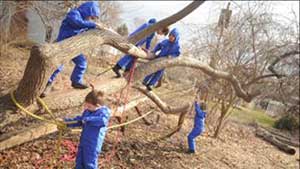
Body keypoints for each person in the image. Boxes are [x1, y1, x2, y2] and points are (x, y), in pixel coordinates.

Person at [40, 1, 103, 98]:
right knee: (58, 66)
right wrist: (92, 25)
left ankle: (76, 81)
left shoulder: (85, 22)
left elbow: (85, 27)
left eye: (92, 18)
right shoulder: (74, 13)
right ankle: (48, 84)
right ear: (87, 11)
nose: (90, 19)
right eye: (91, 16)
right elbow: (77, 23)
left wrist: (99, 28)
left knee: (82, 63)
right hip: (63, 44)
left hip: (74, 47)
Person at [64, 89, 111, 169]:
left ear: (98, 106)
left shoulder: (103, 113)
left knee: (89, 163)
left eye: (89, 106)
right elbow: (80, 120)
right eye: (86, 105)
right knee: (79, 160)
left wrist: (88, 119)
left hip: (93, 144)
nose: (87, 108)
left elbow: (103, 121)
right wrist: (67, 123)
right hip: (84, 141)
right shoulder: (88, 111)